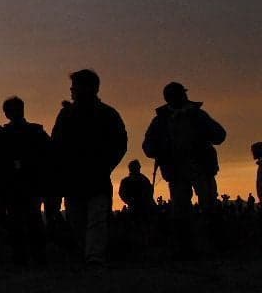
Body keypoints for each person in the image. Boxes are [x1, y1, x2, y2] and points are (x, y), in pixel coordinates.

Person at [51, 69, 128, 265]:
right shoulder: (66, 115)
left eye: (75, 86)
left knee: (96, 219)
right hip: (74, 178)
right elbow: (56, 144)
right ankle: (85, 254)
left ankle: (94, 257)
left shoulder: (106, 114)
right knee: (77, 219)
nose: (72, 90)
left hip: (96, 176)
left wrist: (105, 165)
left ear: (90, 88)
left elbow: (119, 143)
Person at [142, 82, 226, 257]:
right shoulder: (164, 120)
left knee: (207, 206)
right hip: (179, 170)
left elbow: (219, 135)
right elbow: (148, 147)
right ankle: (187, 248)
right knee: (183, 209)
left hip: (198, 167)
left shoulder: (194, 116)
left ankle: (212, 245)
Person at [0, 97, 51, 265]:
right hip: (16, 184)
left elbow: (48, 155)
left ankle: (33, 257)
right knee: (21, 220)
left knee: (29, 219)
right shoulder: (31, 132)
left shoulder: (33, 132)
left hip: (27, 183)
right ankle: (26, 257)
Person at [118, 159, 156, 246]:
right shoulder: (127, 181)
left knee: (144, 228)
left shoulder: (144, 179)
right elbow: (122, 194)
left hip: (144, 207)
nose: (137, 169)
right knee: (135, 228)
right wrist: (130, 201)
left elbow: (149, 193)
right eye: (135, 167)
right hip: (134, 208)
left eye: (137, 167)